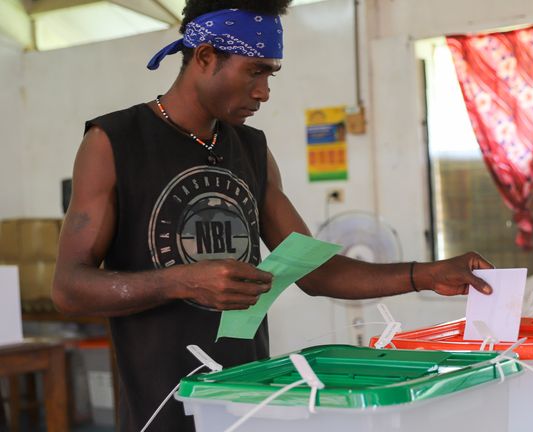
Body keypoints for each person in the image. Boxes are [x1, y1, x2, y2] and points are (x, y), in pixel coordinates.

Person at [52, 0, 494, 430]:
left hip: (247, 397)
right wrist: (182, 280)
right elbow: (69, 288)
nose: (263, 91)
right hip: (160, 404)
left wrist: (426, 274)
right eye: (255, 71)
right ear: (206, 57)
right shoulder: (114, 142)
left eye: (270, 73)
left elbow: (316, 272)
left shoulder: (251, 150)